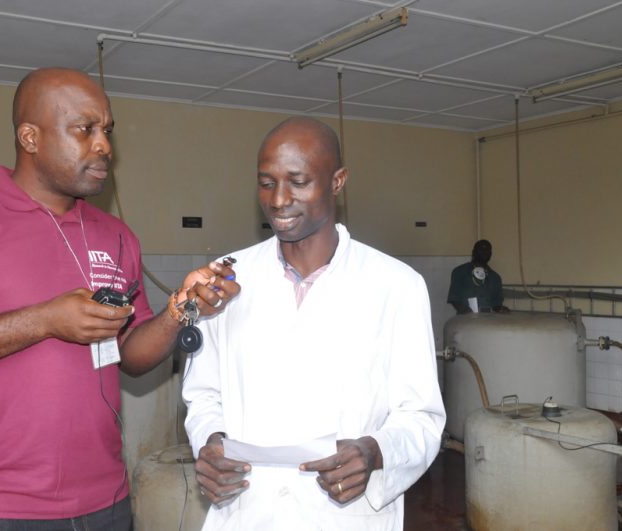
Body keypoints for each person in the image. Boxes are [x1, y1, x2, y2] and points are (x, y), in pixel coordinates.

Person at [0, 67, 239, 530]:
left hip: (105, 500)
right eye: (84, 130)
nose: (104, 145)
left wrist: (179, 310)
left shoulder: (117, 235)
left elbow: (130, 355)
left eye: (106, 130)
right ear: (30, 137)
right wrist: (44, 320)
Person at [182, 117, 445, 530]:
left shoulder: (396, 286)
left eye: (298, 181)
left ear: (338, 181)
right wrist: (211, 444)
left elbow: (422, 418)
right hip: (249, 510)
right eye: (266, 183)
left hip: (343, 516)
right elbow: (203, 396)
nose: (279, 199)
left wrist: (374, 453)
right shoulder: (227, 280)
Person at [446, 239, 509, 314]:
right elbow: (454, 297)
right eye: (481, 249)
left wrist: (500, 309)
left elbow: (497, 303)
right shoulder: (459, 272)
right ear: (473, 252)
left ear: (490, 254)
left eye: (487, 250)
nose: (484, 252)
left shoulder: (495, 278)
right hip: (465, 320)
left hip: (489, 320)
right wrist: (463, 309)